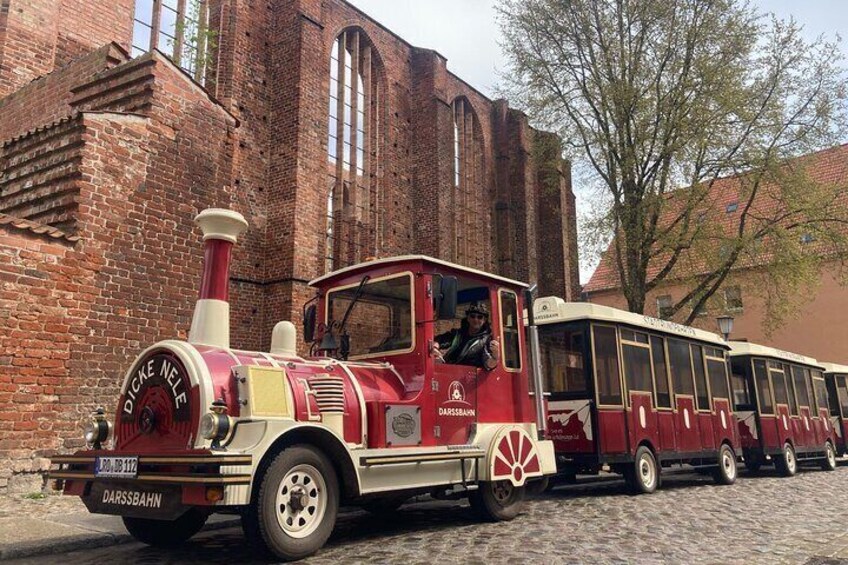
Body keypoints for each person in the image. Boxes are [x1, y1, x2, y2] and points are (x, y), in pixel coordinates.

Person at [433, 302, 500, 370]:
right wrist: (435, 347)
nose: (475, 319)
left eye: (480, 317)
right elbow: (442, 339)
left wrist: (495, 356)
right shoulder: (458, 334)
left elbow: (489, 365)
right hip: (449, 372)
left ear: (484, 320)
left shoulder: (487, 340)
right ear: (468, 318)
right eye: (472, 316)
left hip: (470, 377)